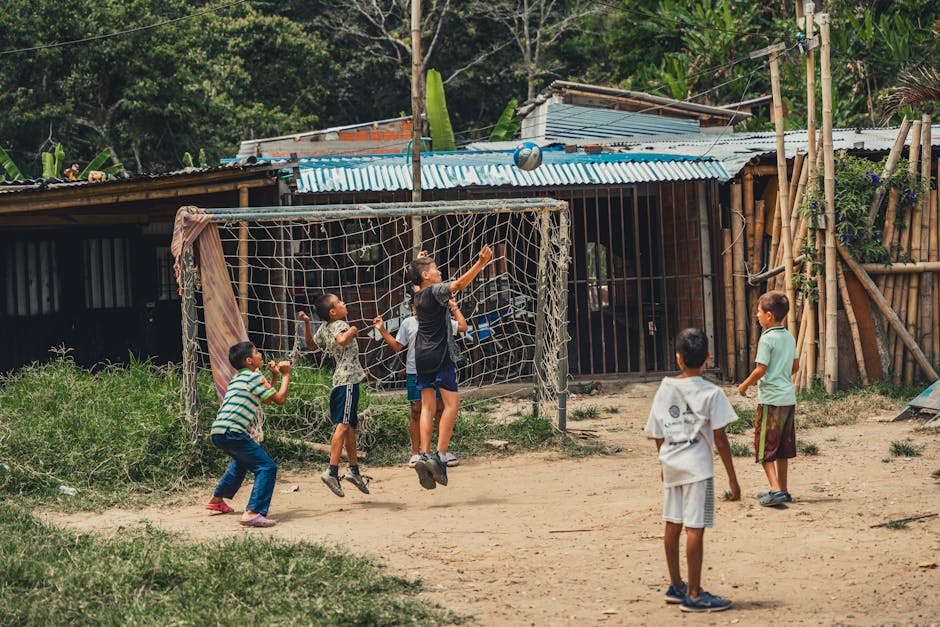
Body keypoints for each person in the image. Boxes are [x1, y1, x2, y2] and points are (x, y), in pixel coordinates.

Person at [644, 328, 740, 613]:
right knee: (695, 529)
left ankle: (676, 586)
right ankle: (695, 594)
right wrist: (733, 480)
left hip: (672, 465)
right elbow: (721, 440)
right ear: (708, 358)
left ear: (678, 359)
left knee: (672, 525)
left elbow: (657, 431)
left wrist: (663, 460)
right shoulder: (713, 393)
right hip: (699, 470)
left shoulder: (665, 388)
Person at [409, 244, 493, 489]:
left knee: (427, 406)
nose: (439, 272)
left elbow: (415, 280)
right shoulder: (435, 291)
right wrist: (480, 263)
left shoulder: (417, 294)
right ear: (426, 276)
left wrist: (417, 261)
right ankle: (440, 456)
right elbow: (458, 285)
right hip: (439, 355)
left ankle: (423, 455)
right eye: (435, 269)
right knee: (451, 404)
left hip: (420, 355)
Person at [373, 289, 467, 468]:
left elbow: (462, 327)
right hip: (415, 371)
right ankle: (417, 453)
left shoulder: (440, 320)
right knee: (417, 410)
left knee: (440, 409)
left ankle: (442, 452)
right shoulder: (408, 323)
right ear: (412, 308)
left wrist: (454, 308)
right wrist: (382, 330)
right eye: (415, 306)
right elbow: (397, 346)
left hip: (438, 368)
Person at [205, 341, 291, 528]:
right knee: (267, 467)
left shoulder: (239, 378)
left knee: (242, 462)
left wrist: (274, 375)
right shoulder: (254, 378)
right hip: (233, 431)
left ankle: (216, 500)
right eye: (257, 352)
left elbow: (266, 399)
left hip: (219, 431)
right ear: (250, 360)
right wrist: (285, 375)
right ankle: (253, 512)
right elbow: (280, 400)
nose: (261, 354)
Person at [299, 294, 370, 498]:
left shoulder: (325, 327)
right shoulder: (340, 324)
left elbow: (311, 344)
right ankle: (332, 471)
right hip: (346, 381)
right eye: (340, 302)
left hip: (343, 382)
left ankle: (354, 470)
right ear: (332, 312)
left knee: (350, 428)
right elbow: (341, 341)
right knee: (343, 425)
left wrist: (306, 324)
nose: (343, 303)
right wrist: (352, 331)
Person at [737, 290, 799, 507]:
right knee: (782, 447)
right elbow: (795, 366)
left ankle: (774, 489)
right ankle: (783, 489)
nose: (757, 315)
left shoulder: (767, 339)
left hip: (771, 401)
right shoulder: (789, 337)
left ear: (769, 315)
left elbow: (760, 369)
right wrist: (781, 376)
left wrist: (744, 385)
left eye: (759, 312)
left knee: (764, 447)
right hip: (788, 399)